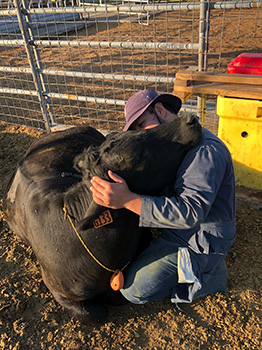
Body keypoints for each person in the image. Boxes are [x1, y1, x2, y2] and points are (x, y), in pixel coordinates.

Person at [90, 90, 236, 305]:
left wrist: (127, 200)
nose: (141, 134)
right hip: (176, 228)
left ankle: (211, 276)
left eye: (142, 124)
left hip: (200, 238)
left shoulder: (204, 151)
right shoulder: (173, 146)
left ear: (159, 110)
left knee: (134, 291)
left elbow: (190, 213)